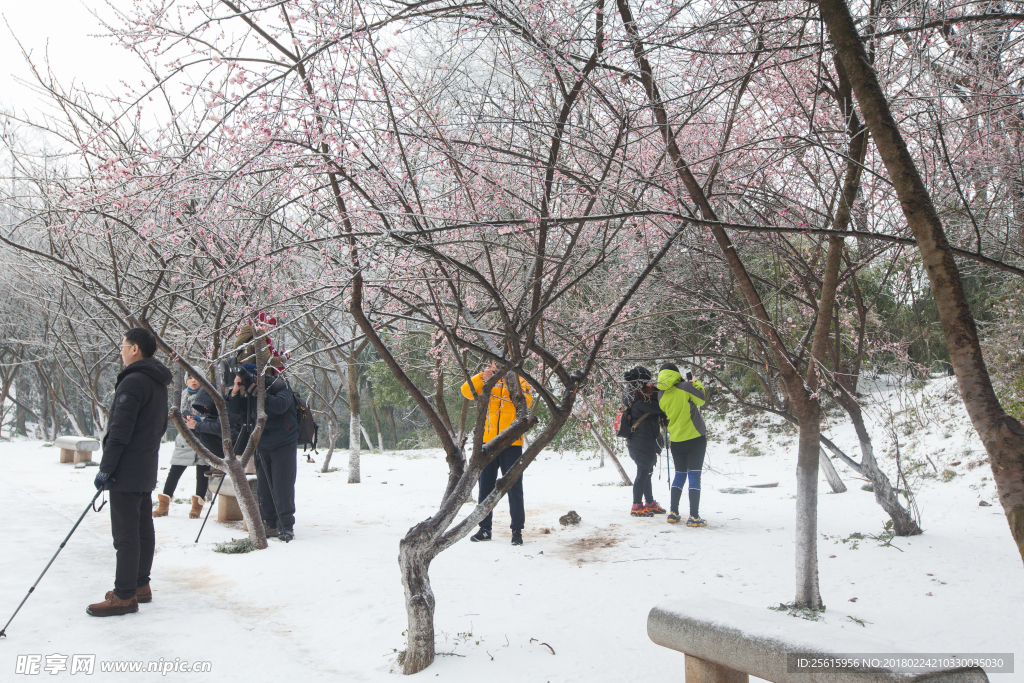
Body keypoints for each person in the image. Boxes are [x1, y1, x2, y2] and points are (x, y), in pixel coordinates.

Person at [88, 328, 172, 617]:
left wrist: (106, 468)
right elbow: (160, 426)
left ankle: (124, 595)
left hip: (127, 467)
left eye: (123, 346)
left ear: (135, 349)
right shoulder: (158, 382)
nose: (121, 351)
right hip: (146, 463)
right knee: (141, 528)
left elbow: (120, 431)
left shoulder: (134, 381)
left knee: (126, 534)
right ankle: (140, 585)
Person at [461, 362, 533, 545]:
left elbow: (527, 401)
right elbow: (466, 392)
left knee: (514, 487)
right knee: (484, 486)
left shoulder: (520, 380)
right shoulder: (487, 379)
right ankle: (484, 529)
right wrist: (482, 378)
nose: (497, 367)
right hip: (488, 442)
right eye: (494, 364)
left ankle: (517, 531)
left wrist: (511, 382)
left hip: (512, 441)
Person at [227, 355, 298, 542]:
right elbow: (235, 413)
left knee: (283, 485)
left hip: (284, 441)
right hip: (262, 442)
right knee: (263, 486)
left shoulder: (278, 385)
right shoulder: (248, 391)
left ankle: (286, 525)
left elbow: (281, 406)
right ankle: (270, 523)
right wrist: (235, 391)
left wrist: (258, 392)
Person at [657, 362, 708, 527]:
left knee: (679, 475)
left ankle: (673, 512)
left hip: (676, 440)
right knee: (694, 476)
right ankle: (693, 516)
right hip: (695, 437)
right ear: (676, 373)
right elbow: (701, 400)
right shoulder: (685, 387)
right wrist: (696, 384)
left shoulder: (660, 395)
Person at [154, 374, 211, 518]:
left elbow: (214, 418)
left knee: (202, 474)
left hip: (203, 438)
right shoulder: (181, 396)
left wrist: (199, 420)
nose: (193, 381)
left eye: (196, 378)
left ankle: (196, 507)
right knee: (174, 471)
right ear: (186, 380)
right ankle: (163, 505)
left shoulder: (209, 395)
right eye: (190, 378)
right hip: (185, 439)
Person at [622, 367, 667, 517]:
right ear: (641, 384)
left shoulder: (637, 395)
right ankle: (636, 505)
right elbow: (661, 406)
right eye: (648, 382)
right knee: (643, 472)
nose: (652, 384)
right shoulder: (640, 402)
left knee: (647, 471)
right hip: (640, 442)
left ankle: (649, 502)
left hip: (646, 440)